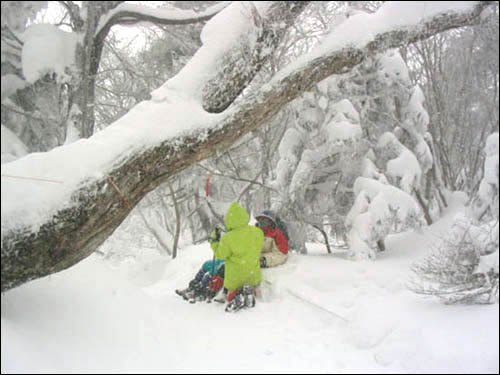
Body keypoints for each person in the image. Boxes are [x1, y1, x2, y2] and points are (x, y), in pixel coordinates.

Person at [210, 202, 264, 312]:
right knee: (249, 278)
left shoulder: (228, 238)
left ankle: (236, 295)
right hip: (253, 276)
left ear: (229, 220)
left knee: (231, 289)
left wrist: (214, 241)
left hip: (235, 279)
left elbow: (220, 254)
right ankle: (247, 292)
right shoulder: (258, 232)